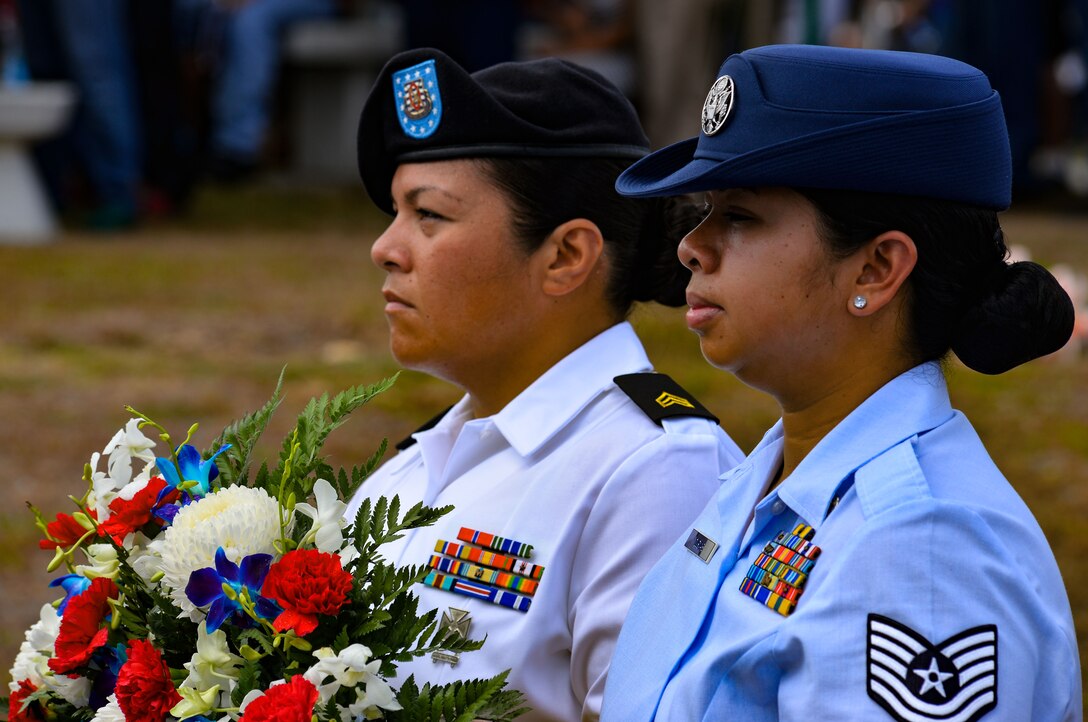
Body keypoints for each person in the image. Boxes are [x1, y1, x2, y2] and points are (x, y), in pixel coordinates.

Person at [601, 44, 1081, 721]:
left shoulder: (923, 551)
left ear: (877, 268)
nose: (692, 245)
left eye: (739, 217)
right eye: (708, 210)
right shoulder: (768, 478)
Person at [346, 48, 745, 721]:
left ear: (565, 256)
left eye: (430, 216)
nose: (386, 247)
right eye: (395, 212)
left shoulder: (656, 469)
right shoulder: (412, 468)